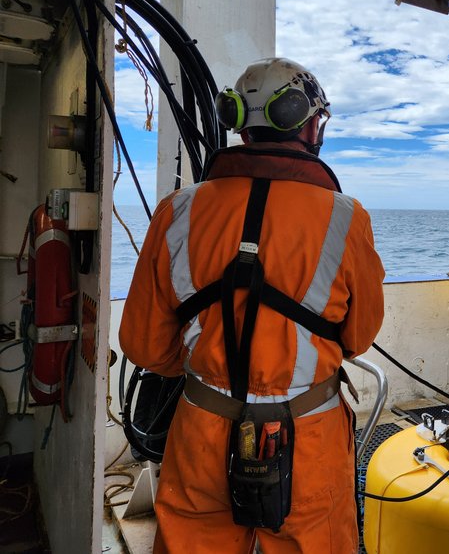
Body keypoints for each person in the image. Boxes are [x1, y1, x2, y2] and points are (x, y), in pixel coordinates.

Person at [120, 58, 385, 553]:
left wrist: (209, 366)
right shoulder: (347, 218)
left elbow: (144, 345)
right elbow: (358, 337)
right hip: (309, 434)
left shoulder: (178, 211)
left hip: (201, 428)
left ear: (239, 122)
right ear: (307, 123)